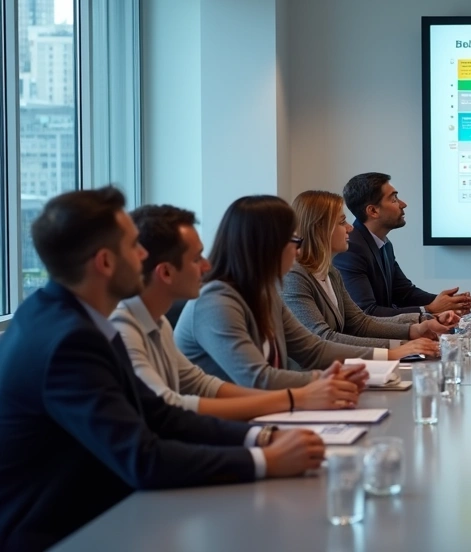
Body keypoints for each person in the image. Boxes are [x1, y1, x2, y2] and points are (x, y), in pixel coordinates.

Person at [0, 188, 324, 550]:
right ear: (105, 263)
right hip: (63, 534)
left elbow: (161, 414)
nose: (143, 255)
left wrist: (260, 438)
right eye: (133, 246)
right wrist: (264, 461)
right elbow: (143, 458)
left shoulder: (72, 318)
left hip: (106, 514)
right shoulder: (68, 342)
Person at [113, 204, 367, 421]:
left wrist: (316, 383)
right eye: (196, 258)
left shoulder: (158, 323)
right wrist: (299, 397)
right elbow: (170, 408)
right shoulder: (211, 302)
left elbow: (202, 385)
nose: (206, 265)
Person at [176, 196, 434, 391]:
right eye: (294, 242)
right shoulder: (216, 302)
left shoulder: (264, 294)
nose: (298, 252)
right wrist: (326, 381)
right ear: (267, 246)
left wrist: (390, 352)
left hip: (264, 413)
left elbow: (313, 349)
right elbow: (258, 378)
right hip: (227, 429)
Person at [284, 190, 456, 352]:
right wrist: (399, 347)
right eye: (342, 221)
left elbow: (360, 322)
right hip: (311, 378)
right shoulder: (294, 276)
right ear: (320, 229)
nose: (350, 228)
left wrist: (418, 328)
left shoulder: (330, 272)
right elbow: (323, 338)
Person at [333, 172, 471, 317]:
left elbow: (404, 292)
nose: (403, 204)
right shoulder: (351, 249)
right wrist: (429, 309)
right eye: (394, 199)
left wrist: (448, 302)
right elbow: (367, 312)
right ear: (373, 211)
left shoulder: (384, 244)